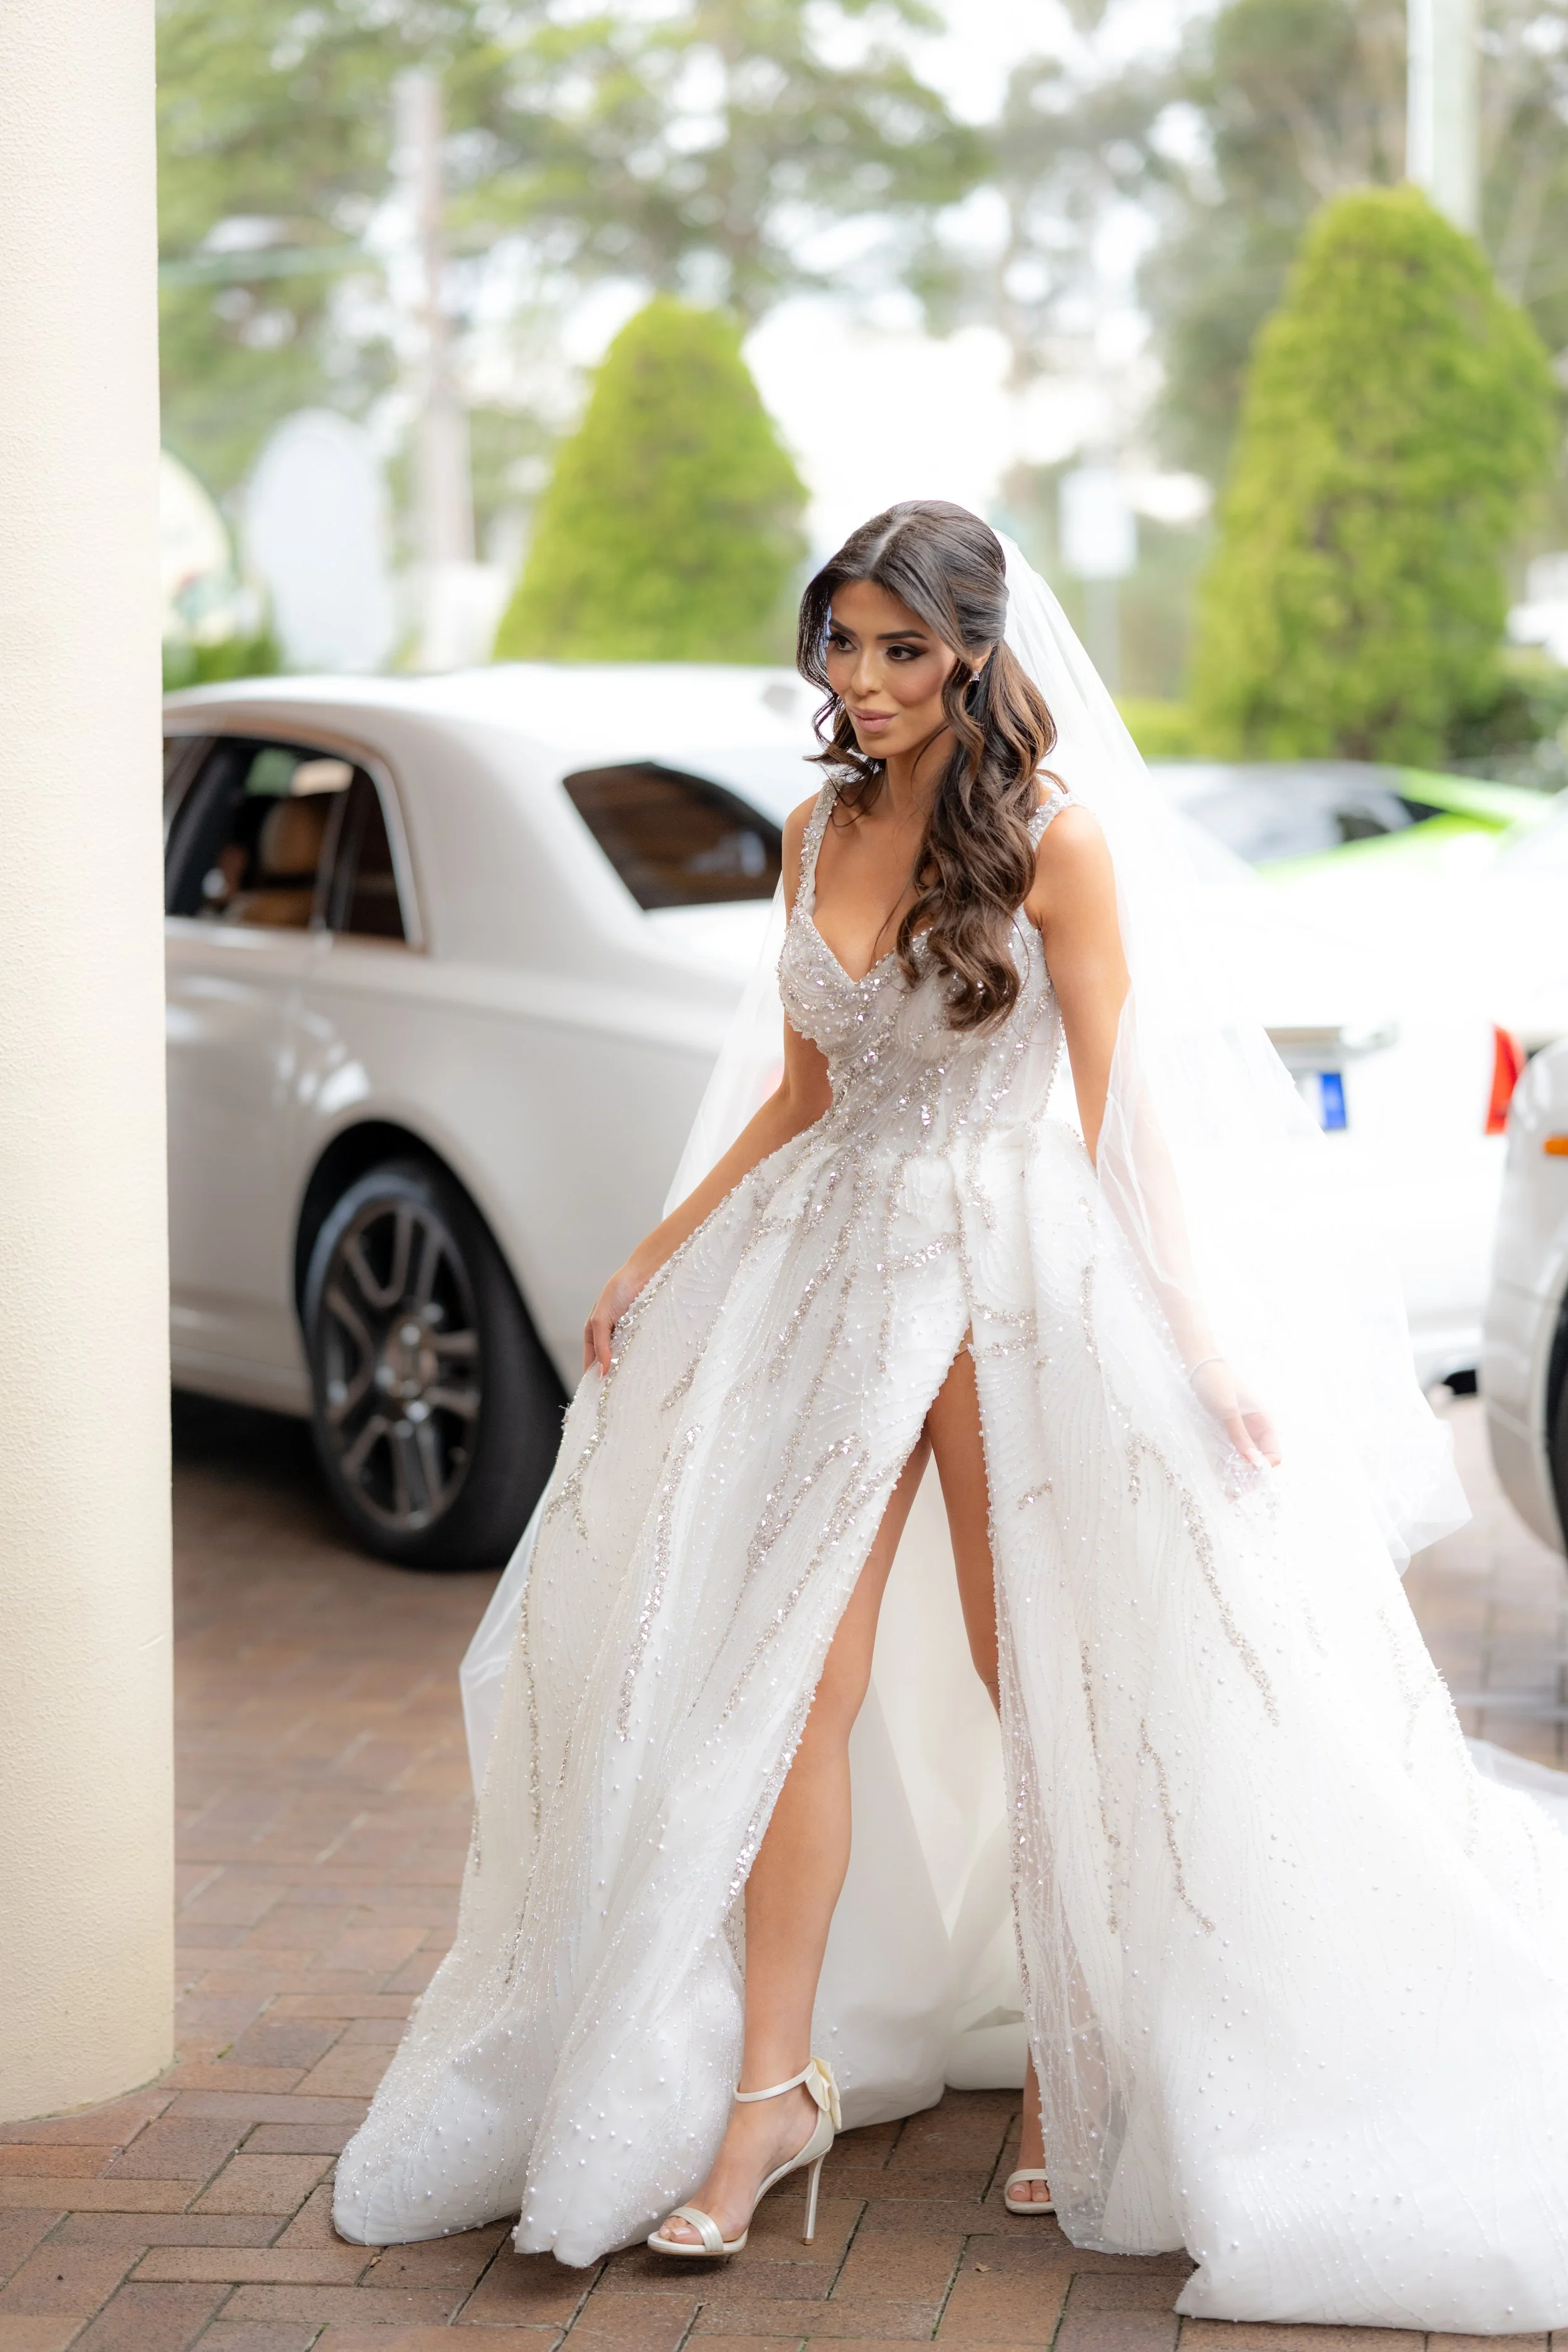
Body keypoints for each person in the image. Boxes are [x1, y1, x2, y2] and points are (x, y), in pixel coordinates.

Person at [334, 503, 1568, 2328]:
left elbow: (1119, 1110)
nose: (865, 679)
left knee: (1037, 1664)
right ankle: (767, 2093)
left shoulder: (1058, 841)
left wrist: (1200, 1339)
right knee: (780, 1683)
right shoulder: (813, 824)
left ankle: (1079, 2060)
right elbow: (801, 1090)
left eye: (902, 647)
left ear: (978, 650)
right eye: (840, 642)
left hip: (1013, 1269)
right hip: (830, 1266)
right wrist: (657, 1249)